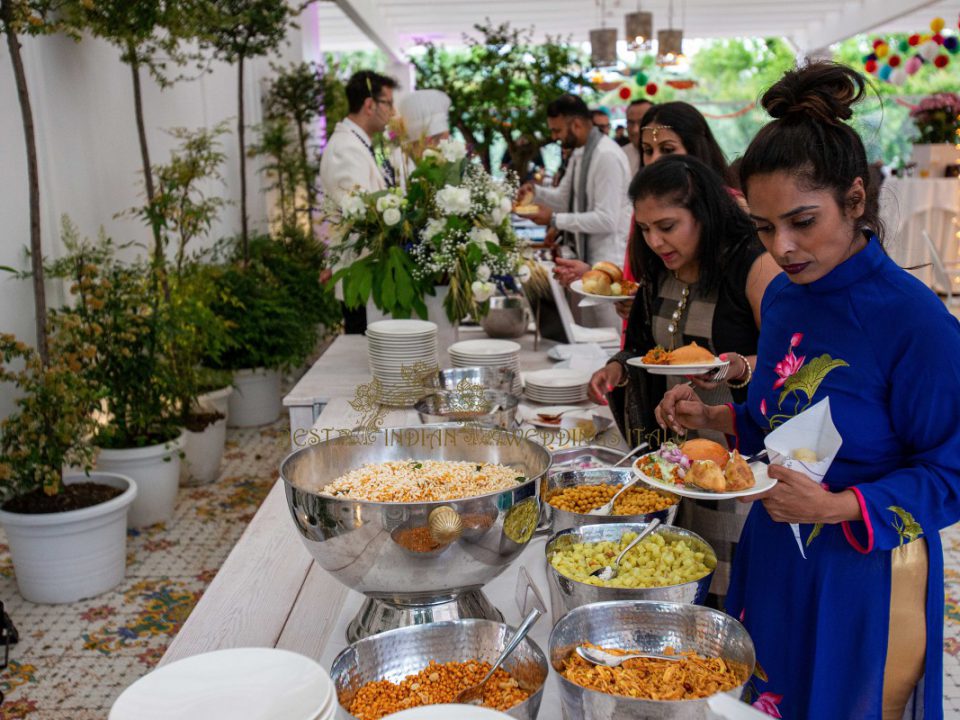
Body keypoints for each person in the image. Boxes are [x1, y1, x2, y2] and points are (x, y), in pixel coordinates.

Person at [655, 62, 960, 719]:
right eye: (764, 227)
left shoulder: (916, 323)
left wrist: (841, 507)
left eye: (801, 220)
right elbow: (781, 427)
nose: (783, 247)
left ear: (855, 199)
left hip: (865, 575)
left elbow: (951, 473)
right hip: (776, 553)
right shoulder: (789, 299)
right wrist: (716, 418)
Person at [589, 154, 780, 604]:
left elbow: (790, 358)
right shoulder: (659, 270)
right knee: (677, 564)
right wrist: (617, 366)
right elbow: (641, 344)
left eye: (668, 226)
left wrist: (738, 366)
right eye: (646, 229)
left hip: (739, 453)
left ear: (704, 213)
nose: (655, 241)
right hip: (671, 453)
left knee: (732, 581)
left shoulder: (751, 265)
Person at [518, 94, 631, 327]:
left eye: (557, 130)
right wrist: (535, 192)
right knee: (588, 338)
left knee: (608, 339)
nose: (554, 137)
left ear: (577, 124)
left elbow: (607, 219)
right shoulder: (580, 154)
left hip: (609, 263)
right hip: (585, 263)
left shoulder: (606, 155)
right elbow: (563, 198)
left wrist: (555, 219)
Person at [320, 70, 398, 334]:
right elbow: (364, 214)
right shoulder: (346, 149)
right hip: (361, 276)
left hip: (368, 274)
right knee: (366, 364)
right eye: (388, 103)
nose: (393, 111)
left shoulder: (358, 144)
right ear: (369, 105)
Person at [623, 98, 653, 177]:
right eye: (631, 122)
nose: (635, 130)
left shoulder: (667, 156)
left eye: (642, 122)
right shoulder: (620, 155)